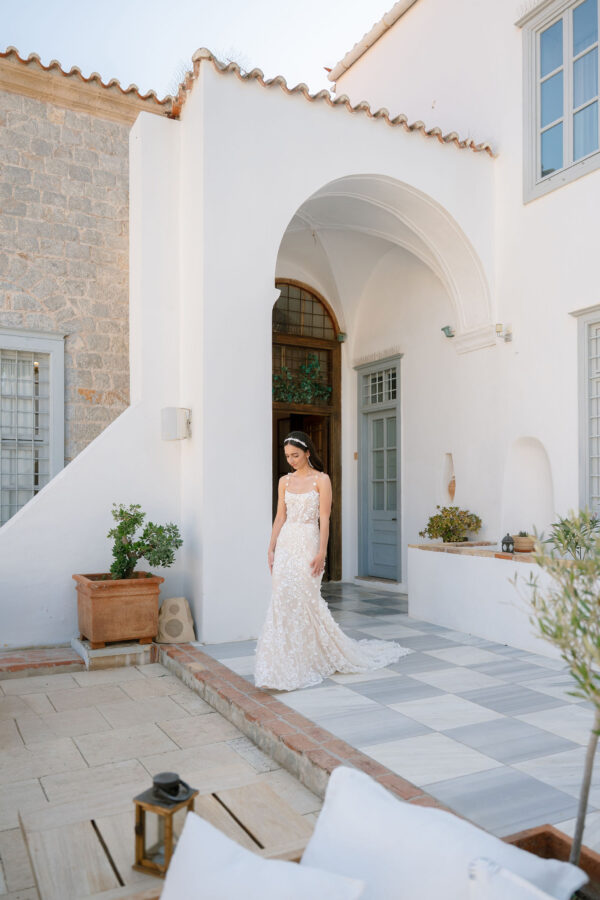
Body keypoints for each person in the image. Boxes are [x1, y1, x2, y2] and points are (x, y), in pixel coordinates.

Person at [254, 431, 412, 691]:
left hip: (308, 541)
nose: (291, 460)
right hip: (286, 542)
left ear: (307, 452)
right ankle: (282, 662)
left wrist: (321, 552)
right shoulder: (284, 481)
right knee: (282, 598)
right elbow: (280, 517)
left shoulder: (321, 480)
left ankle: (312, 656)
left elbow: (324, 518)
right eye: (287, 457)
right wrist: (270, 548)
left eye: (295, 455)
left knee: (307, 599)